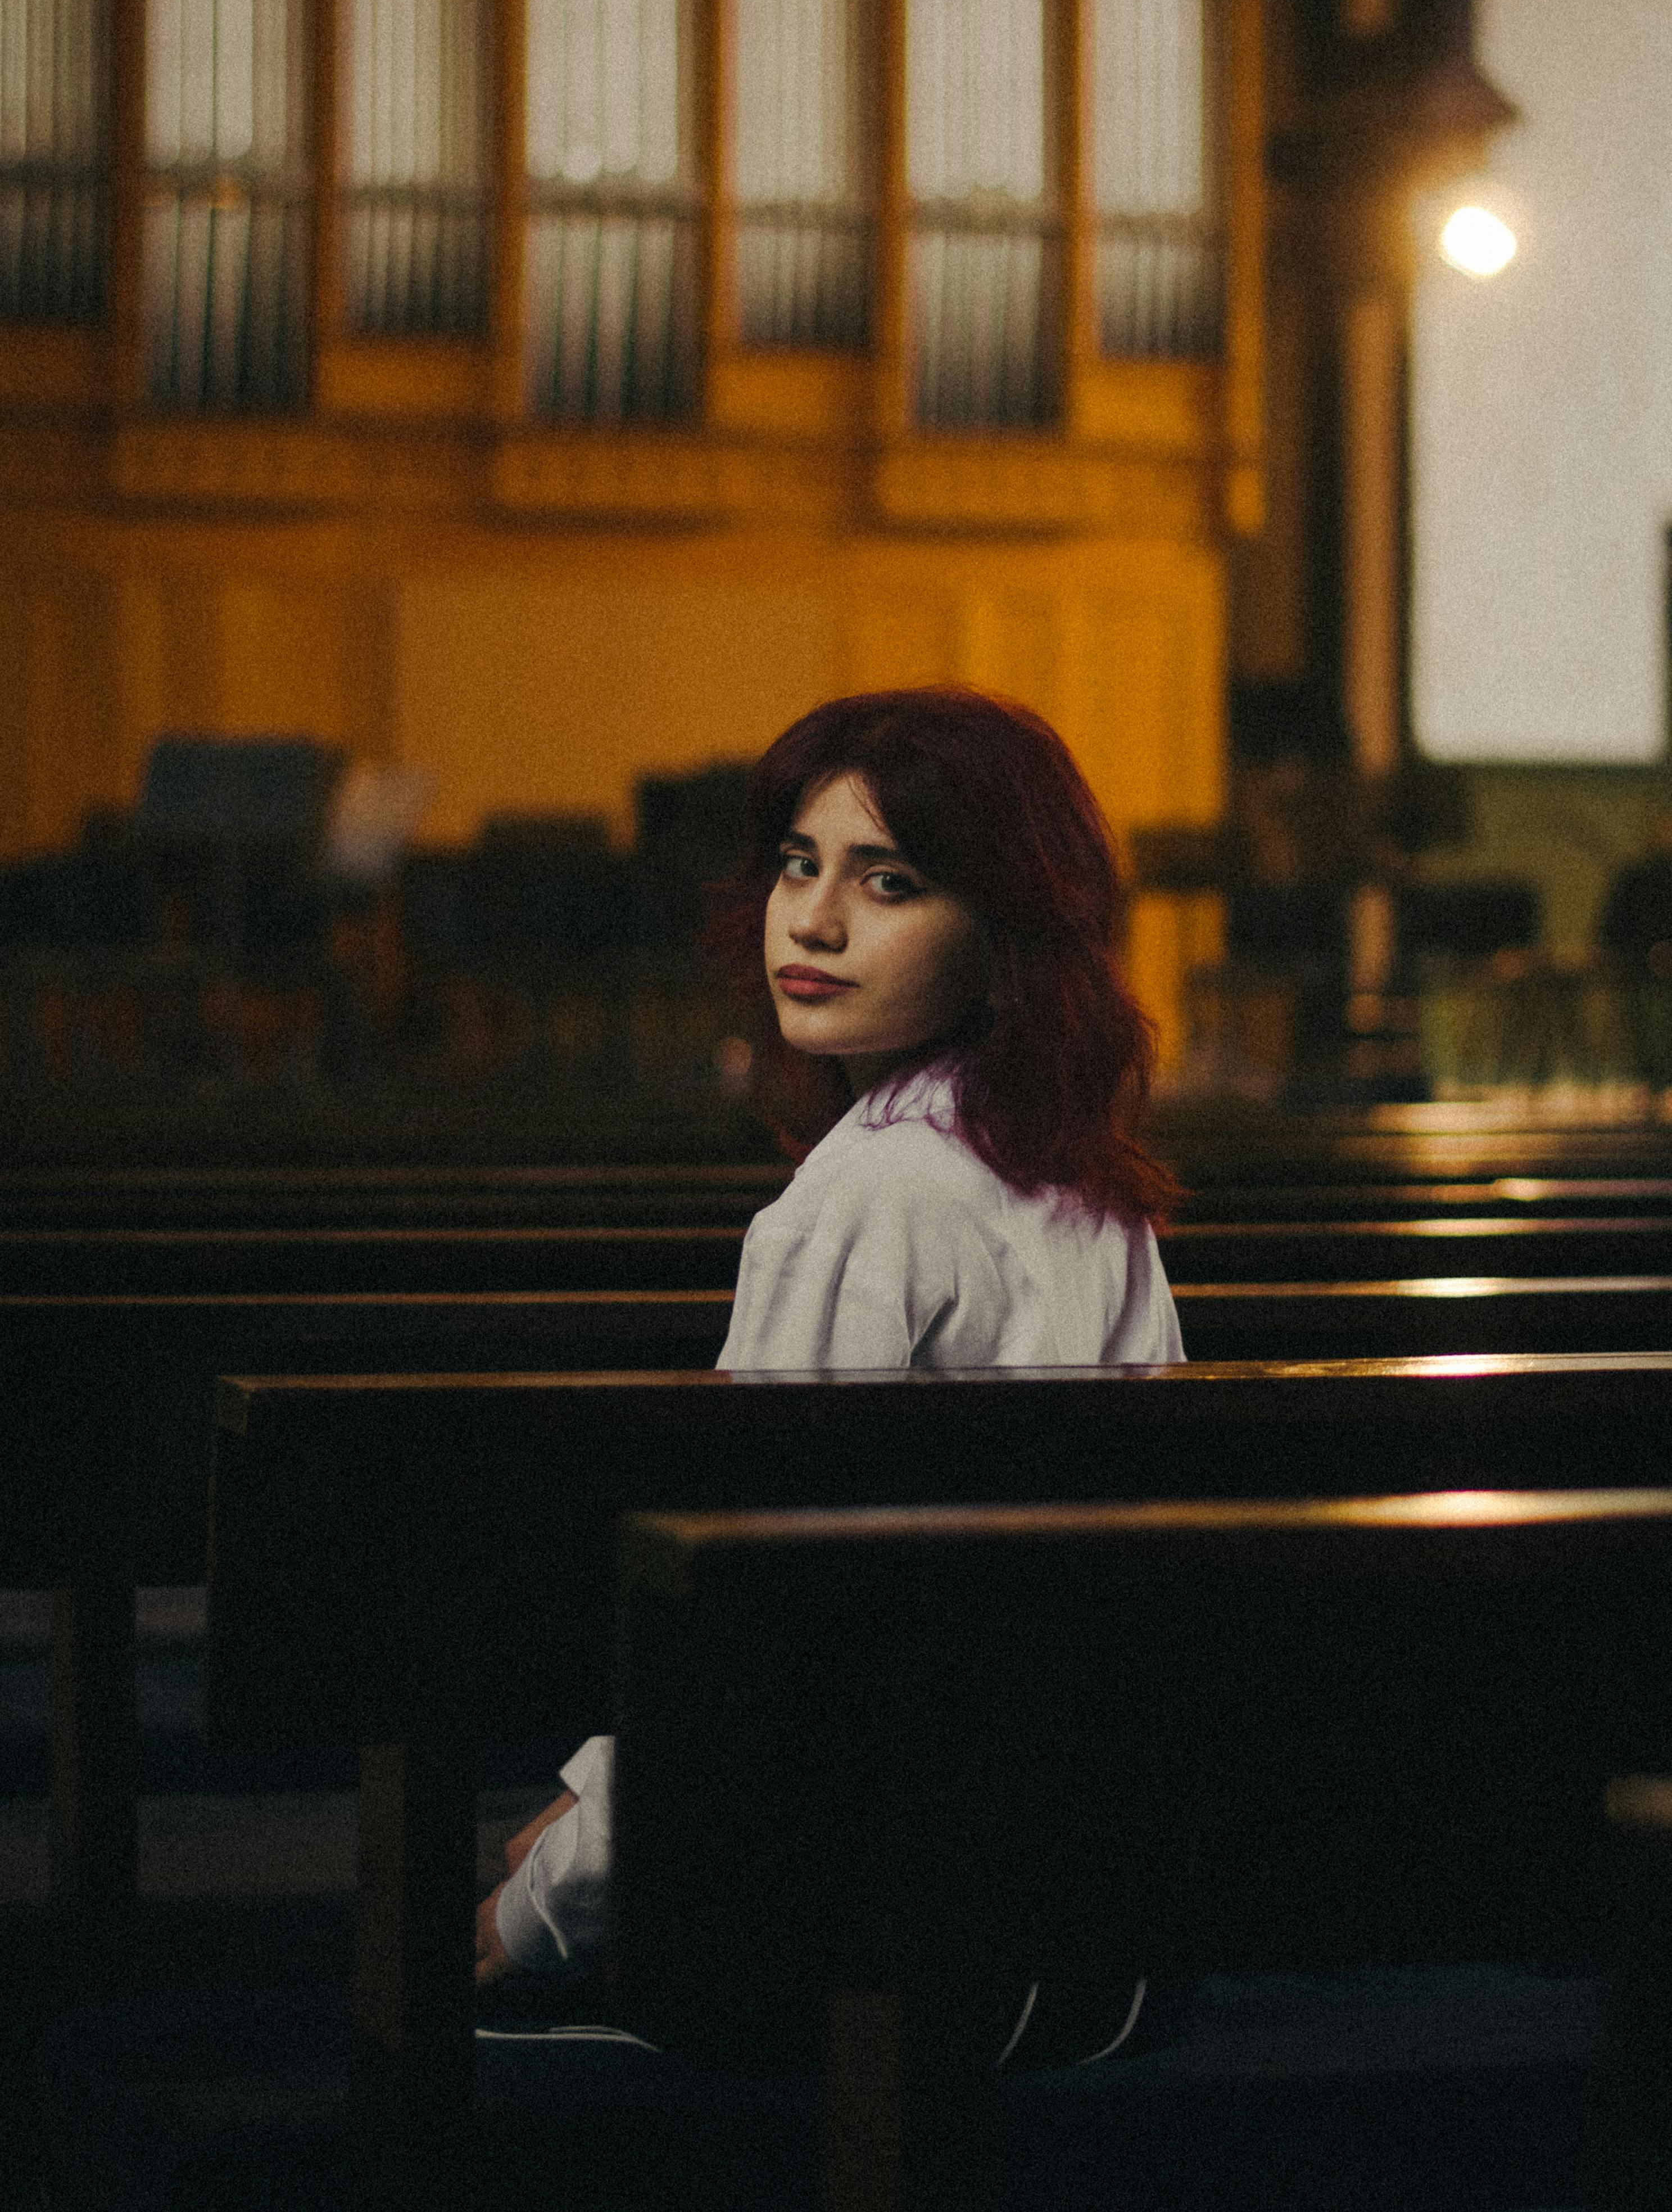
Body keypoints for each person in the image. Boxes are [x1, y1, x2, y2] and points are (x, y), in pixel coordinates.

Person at [476, 688, 1185, 2050]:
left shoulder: (862, 1201)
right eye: (799, 865)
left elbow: (742, 1633)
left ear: (1008, 935)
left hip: (869, 1923)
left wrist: (543, 1911)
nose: (812, 919)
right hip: (1083, 1911)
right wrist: (590, 1799)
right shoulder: (1091, 1183)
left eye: (890, 882)